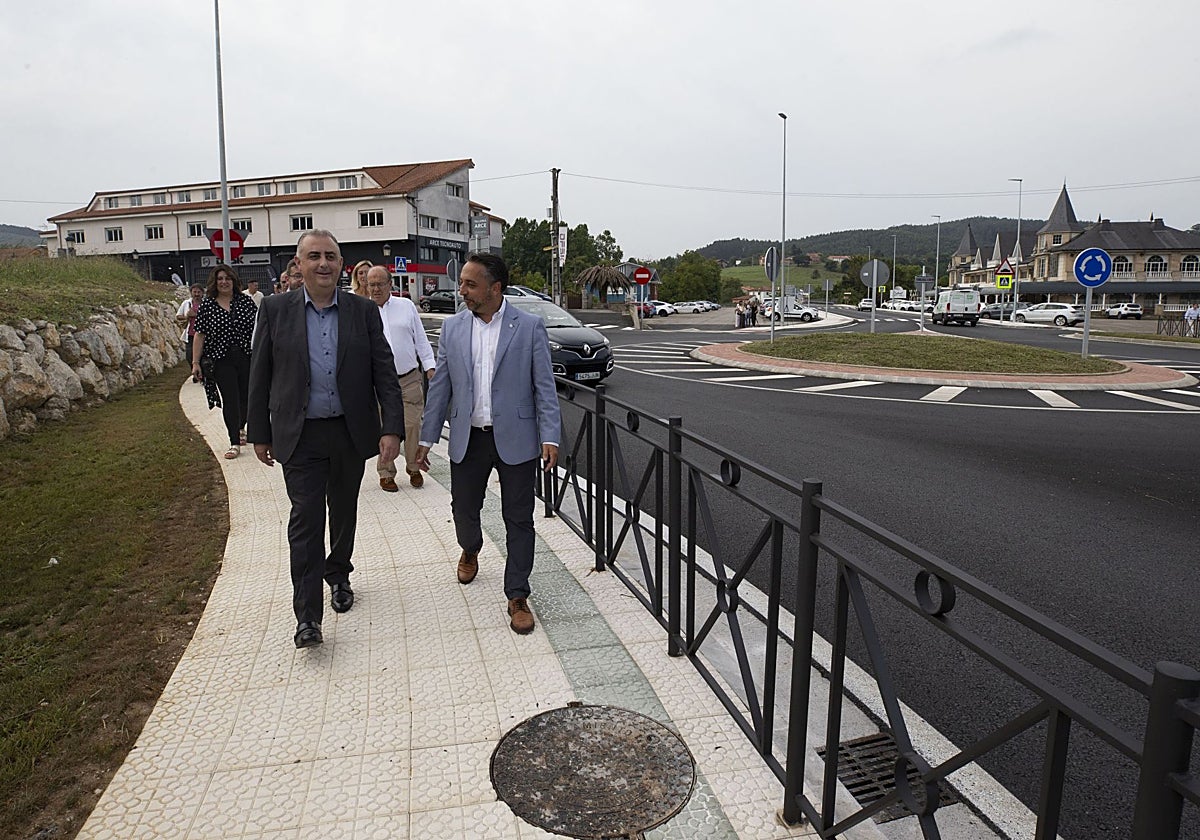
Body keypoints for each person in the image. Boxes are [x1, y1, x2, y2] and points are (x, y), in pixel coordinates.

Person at [247, 230, 403, 650]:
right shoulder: (276, 311)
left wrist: (392, 428)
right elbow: (260, 374)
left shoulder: (362, 312)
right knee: (305, 521)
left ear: (342, 264)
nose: (323, 264)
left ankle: (340, 573)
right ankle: (307, 618)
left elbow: (384, 373)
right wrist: (259, 432)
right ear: (298, 263)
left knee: (344, 510)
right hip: (300, 435)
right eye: (313, 256)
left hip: (349, 432)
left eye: (330, 256)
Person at [414, 253, 561, 635]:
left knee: (518, 519)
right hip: (468, 438)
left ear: (495, 289)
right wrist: (426, 439)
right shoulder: (453, 328)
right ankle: (471, 547)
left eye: (470, 284)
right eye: (462, 282)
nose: (461, 290)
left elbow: (544, 386)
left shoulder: (528, 327)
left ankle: (517, 594)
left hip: (516, 439)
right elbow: (441, 386)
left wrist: (550, 435)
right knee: (463, 508)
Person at [364, 265, 435, 491]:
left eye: (379, 284)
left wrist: (430, 366)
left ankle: (414, 467)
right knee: (385, 427)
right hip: (378, 382)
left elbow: (421, 339)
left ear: (389, 284)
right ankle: (386, 472)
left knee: (413, 425)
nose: (375, 289)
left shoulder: (406, 307)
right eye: (371, 284)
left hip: (408, 378)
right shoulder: (362, 310)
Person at [192, 265, 257, 459]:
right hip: (221, 359)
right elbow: (200, 335)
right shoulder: (208, 305)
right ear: (214, 282)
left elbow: (259, 329)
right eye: (220, 278)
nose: (224, 282)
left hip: (246, 357)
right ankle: (234, 442)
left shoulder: (246, 302)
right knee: (231, 399)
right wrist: (195, 362)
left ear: (234, 281)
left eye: (227, 278)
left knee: (246, 398)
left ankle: (240, 426)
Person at [176, 284, 204, 378]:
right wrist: (187, 316)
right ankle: (195, 373)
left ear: (202, 293)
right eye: (194, 292)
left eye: (198, 292)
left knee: (203, 355)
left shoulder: (206, 303)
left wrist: (196, 315)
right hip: (190, 334)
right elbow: (178, 316)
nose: (196, 294)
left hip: (203, 334)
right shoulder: (186, 304)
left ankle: (202, 373)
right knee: (190, 356)